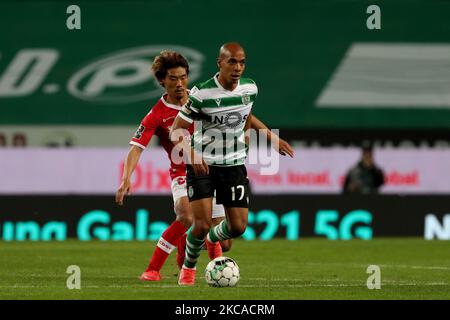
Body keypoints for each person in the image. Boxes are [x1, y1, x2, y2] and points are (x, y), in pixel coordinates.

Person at [116, 50, 293, 282]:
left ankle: (192, 247)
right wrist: (126, 178)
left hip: (217, 167)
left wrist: (270, 137)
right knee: (187, 215)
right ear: (162, 81)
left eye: (183, 77)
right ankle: (153, 269)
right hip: (184, 171)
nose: (180, 84)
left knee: (225, 241)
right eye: (173, 79)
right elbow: (137, 147)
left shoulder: (202, 97)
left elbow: (244, 113)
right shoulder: (157, 115)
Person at [171, 42, 293, 286]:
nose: (238, 67)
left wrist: (270, 136)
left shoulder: (250, 88)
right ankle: (188, 268)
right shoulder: (201, 94)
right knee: (202, 224)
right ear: (220, 63)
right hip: (203, 166)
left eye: (242, 62)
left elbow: (246, 114)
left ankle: (211, 239)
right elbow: (176, 130)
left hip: (234, 165)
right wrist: (192, 154)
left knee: (237, 227)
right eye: (232, 62)